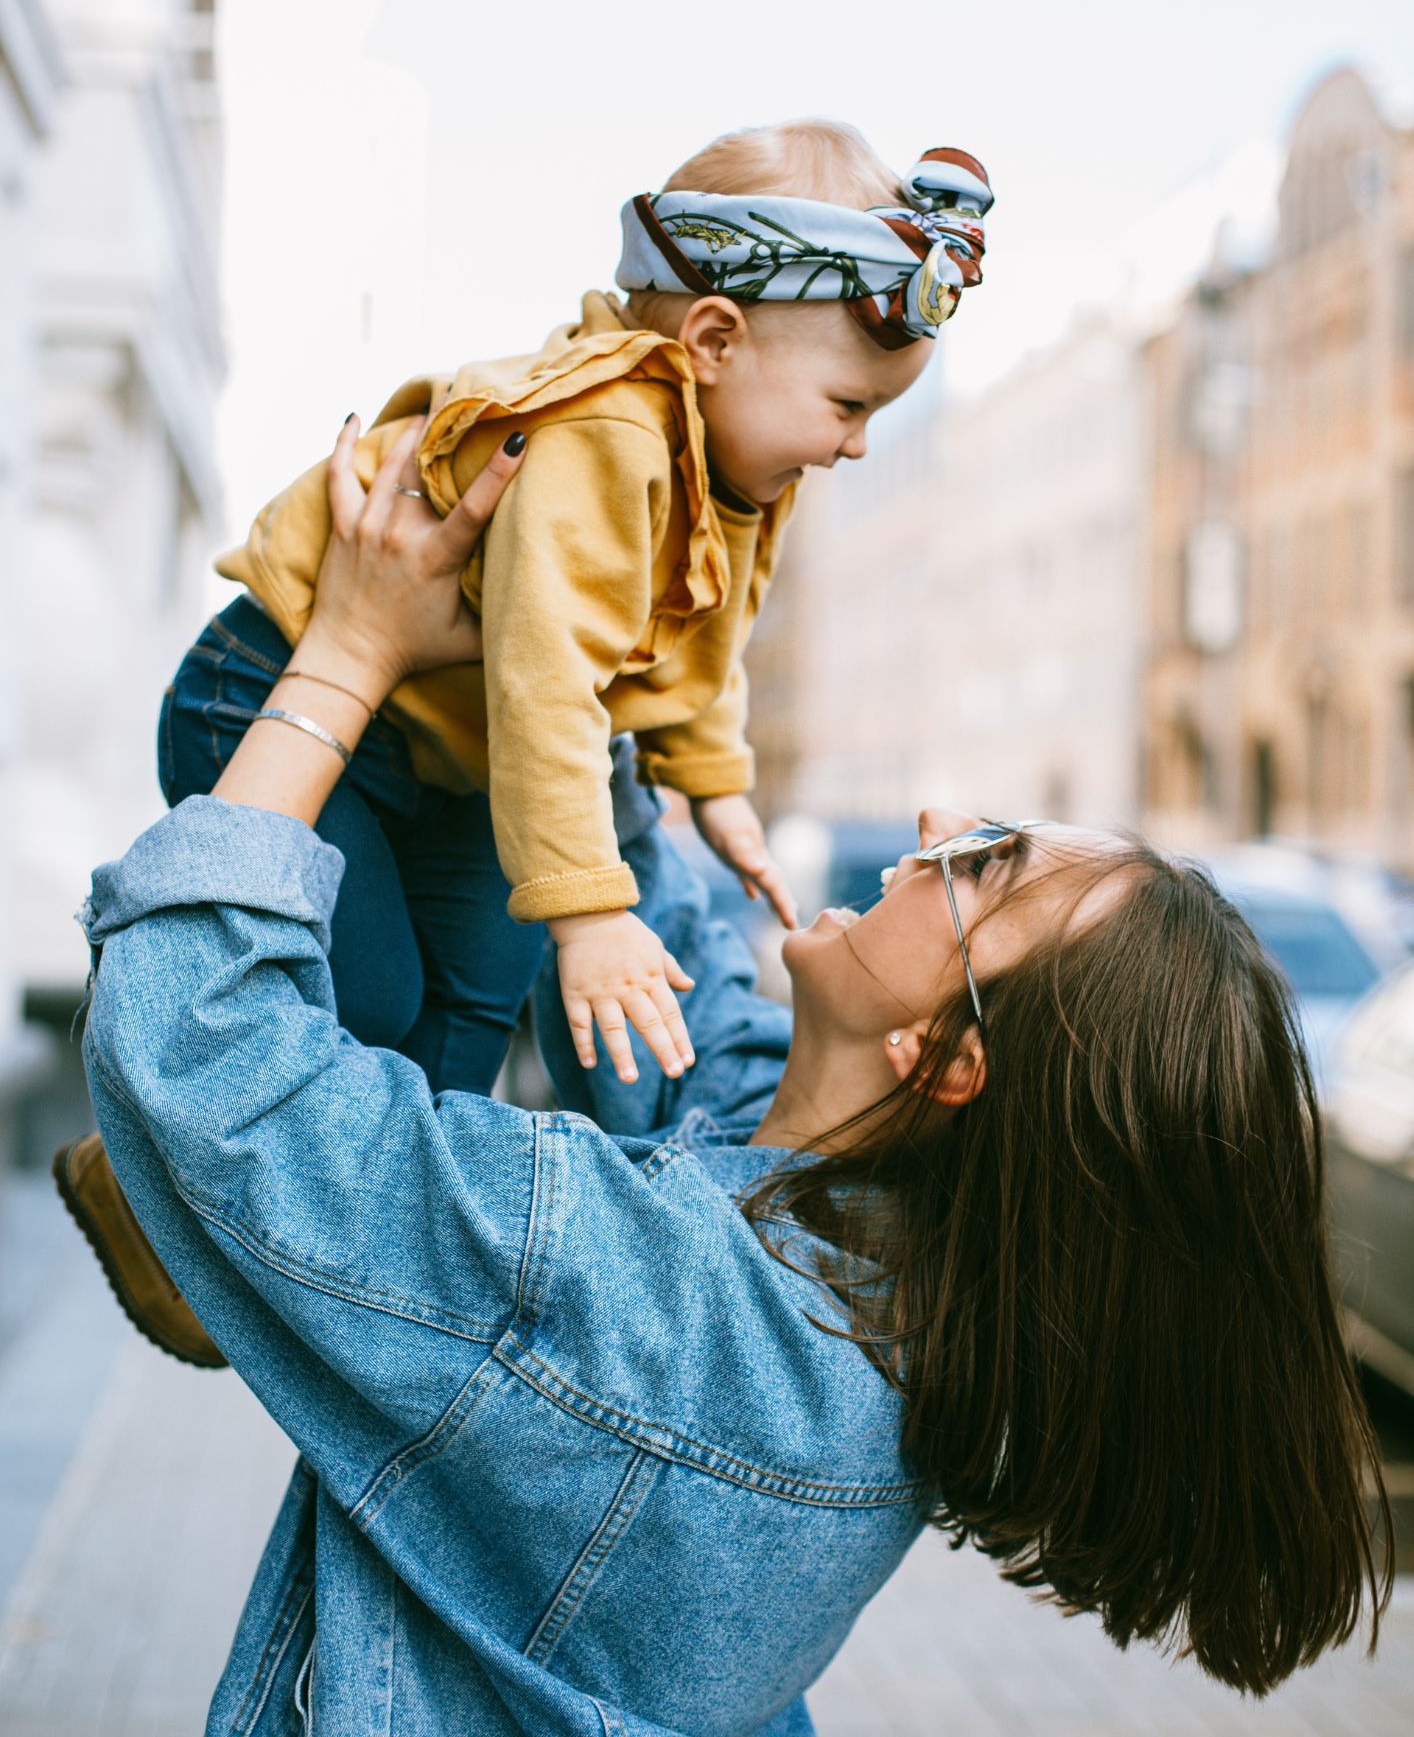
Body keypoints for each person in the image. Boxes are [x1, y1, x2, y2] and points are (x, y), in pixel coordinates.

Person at [68, 423, 1390, 1733]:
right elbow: (666, 948)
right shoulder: (861, 1238)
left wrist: (347, 656)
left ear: (941, 1056)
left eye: (985, 861)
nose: (937, 824)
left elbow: (208, 1059)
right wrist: (584, 580)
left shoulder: (669, 1306)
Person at [59, 116, 992, 1366]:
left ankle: (335, 1289)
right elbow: (552, 679)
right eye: (847, 403)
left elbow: (699, 638)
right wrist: (591, 910)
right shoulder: (603, 430)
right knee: (376, 994)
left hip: (454, 766)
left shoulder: (734, 467)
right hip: (284, 686)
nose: (857, 440)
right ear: (711, 341)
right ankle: (147, 1177)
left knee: (460, 1039)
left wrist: (712, 785)